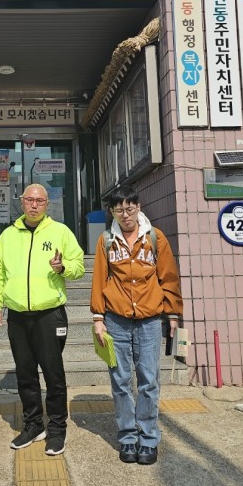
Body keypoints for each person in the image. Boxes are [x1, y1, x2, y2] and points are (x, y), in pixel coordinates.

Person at [0, 183, 85, 456]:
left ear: (46, 204)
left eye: (39, 201)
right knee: (25, 373)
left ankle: (57, 429)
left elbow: (78, 266)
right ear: (21, 202)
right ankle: (33, 425)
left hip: (49, 315)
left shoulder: (60, 232)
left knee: (54, 374)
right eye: (29, 200)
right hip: (18, 315)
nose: (34, 205)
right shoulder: (8, 235)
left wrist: (63, 267)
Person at [90, 185, 183, 465]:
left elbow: (168, 277)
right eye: (119, 210)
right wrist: (98, 318)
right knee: (120, 381)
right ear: (112, 211)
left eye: (130, 208)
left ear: (138, 207)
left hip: (150, 321)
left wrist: (173, 315)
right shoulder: (106, 240)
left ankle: (148, 438)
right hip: (115, 320)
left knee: (149, 380)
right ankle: (128, 437)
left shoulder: (155, 237)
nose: (125, 214)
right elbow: (100, 279)